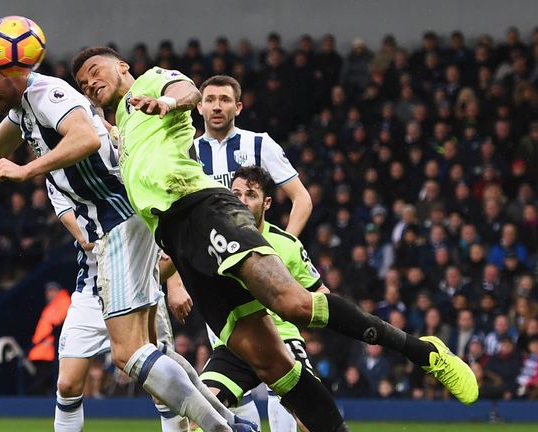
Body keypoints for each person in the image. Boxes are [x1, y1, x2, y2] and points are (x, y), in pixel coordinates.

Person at [72, 47, 477, 432]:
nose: (88, 83)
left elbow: (186, 91)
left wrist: (169, 103)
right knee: (274, 369)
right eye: (81, 82)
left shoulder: (153, 82)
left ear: (122, 66)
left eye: (94, 72)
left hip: (203, 209)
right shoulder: (121, 128)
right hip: (179, 242)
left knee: (293, 304)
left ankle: (423, 352)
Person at [0, 39, 249, 432]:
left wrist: (25, 171)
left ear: (11, 67)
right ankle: (230, 422)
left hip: (117, 223)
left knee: (129, 355)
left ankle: (226, 429)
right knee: (150, 352)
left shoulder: (47, 92)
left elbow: (86, 138)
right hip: (113, 233)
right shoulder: (23, 110)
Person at [47, 182, 188, 431]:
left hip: (139, 290)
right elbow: (86, 238)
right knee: (67, 385)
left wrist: (174, 283)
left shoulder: (121, 160)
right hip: (92, 291)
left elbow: (167, 223)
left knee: (163, 389)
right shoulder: (57, 178)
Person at [197, 166, 328, 432]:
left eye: (251, 194)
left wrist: (305, 315)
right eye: (236, 194)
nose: (242, 200)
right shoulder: (214, 240)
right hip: (237, 342)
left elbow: (321, 293)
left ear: (266, 202)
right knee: (200, 412)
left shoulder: (286, 244)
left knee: (313, 419)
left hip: (283, 339)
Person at [193, 75, 312, 237]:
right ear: (200, 107)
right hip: (206, 252)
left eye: (225, 100)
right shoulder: (188, 152)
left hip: (254, 251)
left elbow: (302, 199)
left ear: (238, 107)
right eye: (210, 100)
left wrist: (287, 244)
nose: (217, 107)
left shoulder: (260, 143)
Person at [28, 282, 71, 395]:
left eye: (52, 291)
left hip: (49, 350)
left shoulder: (63, 301)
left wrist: (47, 341)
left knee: (42, 383)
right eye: (48, 291)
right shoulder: (52, 305)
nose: (49, 294)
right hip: (41, 349)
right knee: (42, 382)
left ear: (58, 291)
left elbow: (57, 324)